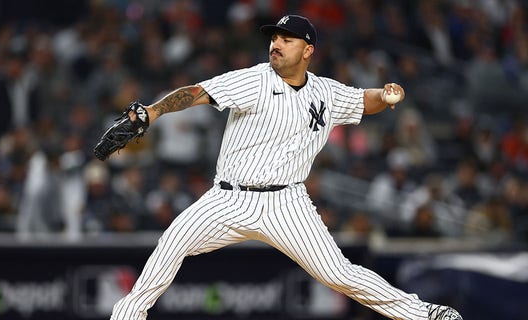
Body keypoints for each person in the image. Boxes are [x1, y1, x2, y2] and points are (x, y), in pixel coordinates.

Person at [109, 15, 462, 320]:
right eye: (274, 38)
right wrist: (152, 112)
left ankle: (423, 313)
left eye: (286, 39)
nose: (276, 44)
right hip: (229, 199)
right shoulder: (254, 80)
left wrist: (383, 97)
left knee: (339, 273)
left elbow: (360, 100)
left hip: (287, 204)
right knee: (172, 241)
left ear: (308, 50)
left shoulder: (325, 92)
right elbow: (197, 92)